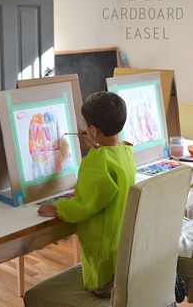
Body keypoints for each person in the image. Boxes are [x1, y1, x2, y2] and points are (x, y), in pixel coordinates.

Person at [37, 91, 136, 298]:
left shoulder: (96, 162)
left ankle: (99, 290)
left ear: (92, 130)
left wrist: (56, 209)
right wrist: (97, 146)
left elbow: (83, 207)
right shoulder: (125, 152)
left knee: (96, 279)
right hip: (122, 252)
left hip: (104, 259)